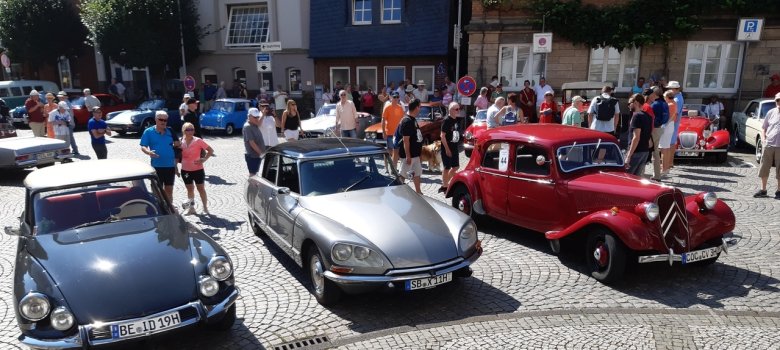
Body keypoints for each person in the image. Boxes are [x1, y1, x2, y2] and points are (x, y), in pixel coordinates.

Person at [140, 111, 180, 203]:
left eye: (165, 120)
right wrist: (149, 152)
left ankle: (169, 208)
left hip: (170, 165)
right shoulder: (148, 132)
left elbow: (177, 144)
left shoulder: (170, 131)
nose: (163, 122)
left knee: (169, 189)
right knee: (156, 190)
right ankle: (158, 208)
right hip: (157, 166)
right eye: (161, 119)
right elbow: (143, 146)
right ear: (155, 119)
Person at [180, 122, 214, 215]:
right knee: (190, 189)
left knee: (201, 189)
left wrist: (204, 159)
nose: (191, 131)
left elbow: (210, 150)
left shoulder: (198, 140)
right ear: (184, 131)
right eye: (188, 129)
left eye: (192, 129)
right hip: (185, 170)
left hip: (198, 169)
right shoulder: (180, 141)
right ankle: (191, 208)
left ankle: (205, 208)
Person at [754, 92, 780, 199]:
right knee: (764, 167)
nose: (779, 102)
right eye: (777, 100)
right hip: (769, 144)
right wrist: (764, 139)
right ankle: (763, 190)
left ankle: (779, 191)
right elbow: (764, 127)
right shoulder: (770, 112)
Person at [399, 99, 424, 194]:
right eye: (420, 107)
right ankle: (398, 193)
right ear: (417, 107)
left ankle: (419, 192)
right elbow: (406, 140)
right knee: (403, 175)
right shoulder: (407, 121)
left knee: (417, 174)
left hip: (415, 154)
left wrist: (418, 154)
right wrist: (408, 156)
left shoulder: (413, 120)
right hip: (409, 155)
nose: (420, 109)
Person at [624, 94, 653, 176]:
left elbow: (636, 137)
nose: (628, 106)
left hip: (636, 152)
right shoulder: (648, 116)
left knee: (628, 177)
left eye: (629, 103)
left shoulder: (636, 116)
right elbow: (649, 135)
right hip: (645, 151)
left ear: (636, 102)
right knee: (637, 178)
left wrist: (629, 156)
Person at [440, 102, 462, 193]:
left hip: (454, 146)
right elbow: (442, 136)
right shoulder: (446, 120)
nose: (458, 110)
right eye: (456, 109)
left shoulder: (456, 120)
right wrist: (447, 149)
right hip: (447, 146)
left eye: (459, 109)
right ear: (451, 110)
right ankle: (445, 186)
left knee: (456, 166)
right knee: (447, 167)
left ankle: (445, 184)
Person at [648, 87, 670, 181]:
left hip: (654, 129)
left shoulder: (655, 104)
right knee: (656, 152)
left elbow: (650, 118)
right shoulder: (664, 103)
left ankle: (640, 174)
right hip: (660, 128)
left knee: (650, 151)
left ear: (655, 94)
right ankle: (657, 175)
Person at [382, 92, 405, 165]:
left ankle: (393, 167)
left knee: (397, 151)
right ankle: (388, 167)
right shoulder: (387, 107)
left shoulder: (400, 108)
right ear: (391, 98)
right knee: (390, 151)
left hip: (398, 133)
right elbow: (383, 120)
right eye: (394, 97)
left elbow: (403, 120)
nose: (396, 99)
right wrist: (384, 132)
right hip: (390, 133)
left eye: (397, 97)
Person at [666, 81, 684, 170]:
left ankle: (669, 162)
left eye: (670, 88)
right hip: (674, 122)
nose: (669, 90)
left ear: (674, 89)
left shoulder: (677, 99)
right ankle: (670, 162)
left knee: (671, 143)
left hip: (673, 122)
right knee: (671, 142)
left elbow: (675, 114)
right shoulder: (678, 97)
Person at [243, 108, 266, 177]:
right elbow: (252, 143)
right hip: (252, 156)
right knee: (253, 175)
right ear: (249, 116)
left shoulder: (254, 124)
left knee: (256, 175)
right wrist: (261, 154)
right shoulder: (248, 127)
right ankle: (250, 187)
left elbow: (259, 123)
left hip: (256, 155)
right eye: (255, 117)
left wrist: (263, 115)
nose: (257, 118)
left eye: (257, 116)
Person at [660, 90, 678, 173]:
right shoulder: (674, 103)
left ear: (667, 97)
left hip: (667, 125)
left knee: (664, 148)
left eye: (664, 97)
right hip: (670, 125)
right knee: (666, 147)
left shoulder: (669, 105)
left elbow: (666, 117)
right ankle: (666, 167)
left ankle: (664, 168)